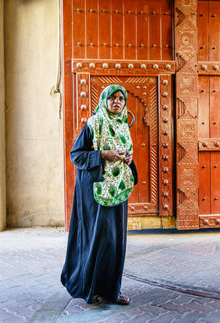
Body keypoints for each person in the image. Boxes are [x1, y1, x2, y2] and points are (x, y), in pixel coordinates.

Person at [61, 84, 137, 305]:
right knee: (99, 240)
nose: (116, 102)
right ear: (104, 100)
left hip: (117, 190)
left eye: (121, 99)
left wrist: (129, 160)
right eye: (112, 98)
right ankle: (91, 289)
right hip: (95, 192)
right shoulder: (94, 124)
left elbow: (125, 153)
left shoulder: (123, 126)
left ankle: (112, 291)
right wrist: (103, 154)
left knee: (115, 242)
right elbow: (76, 155)